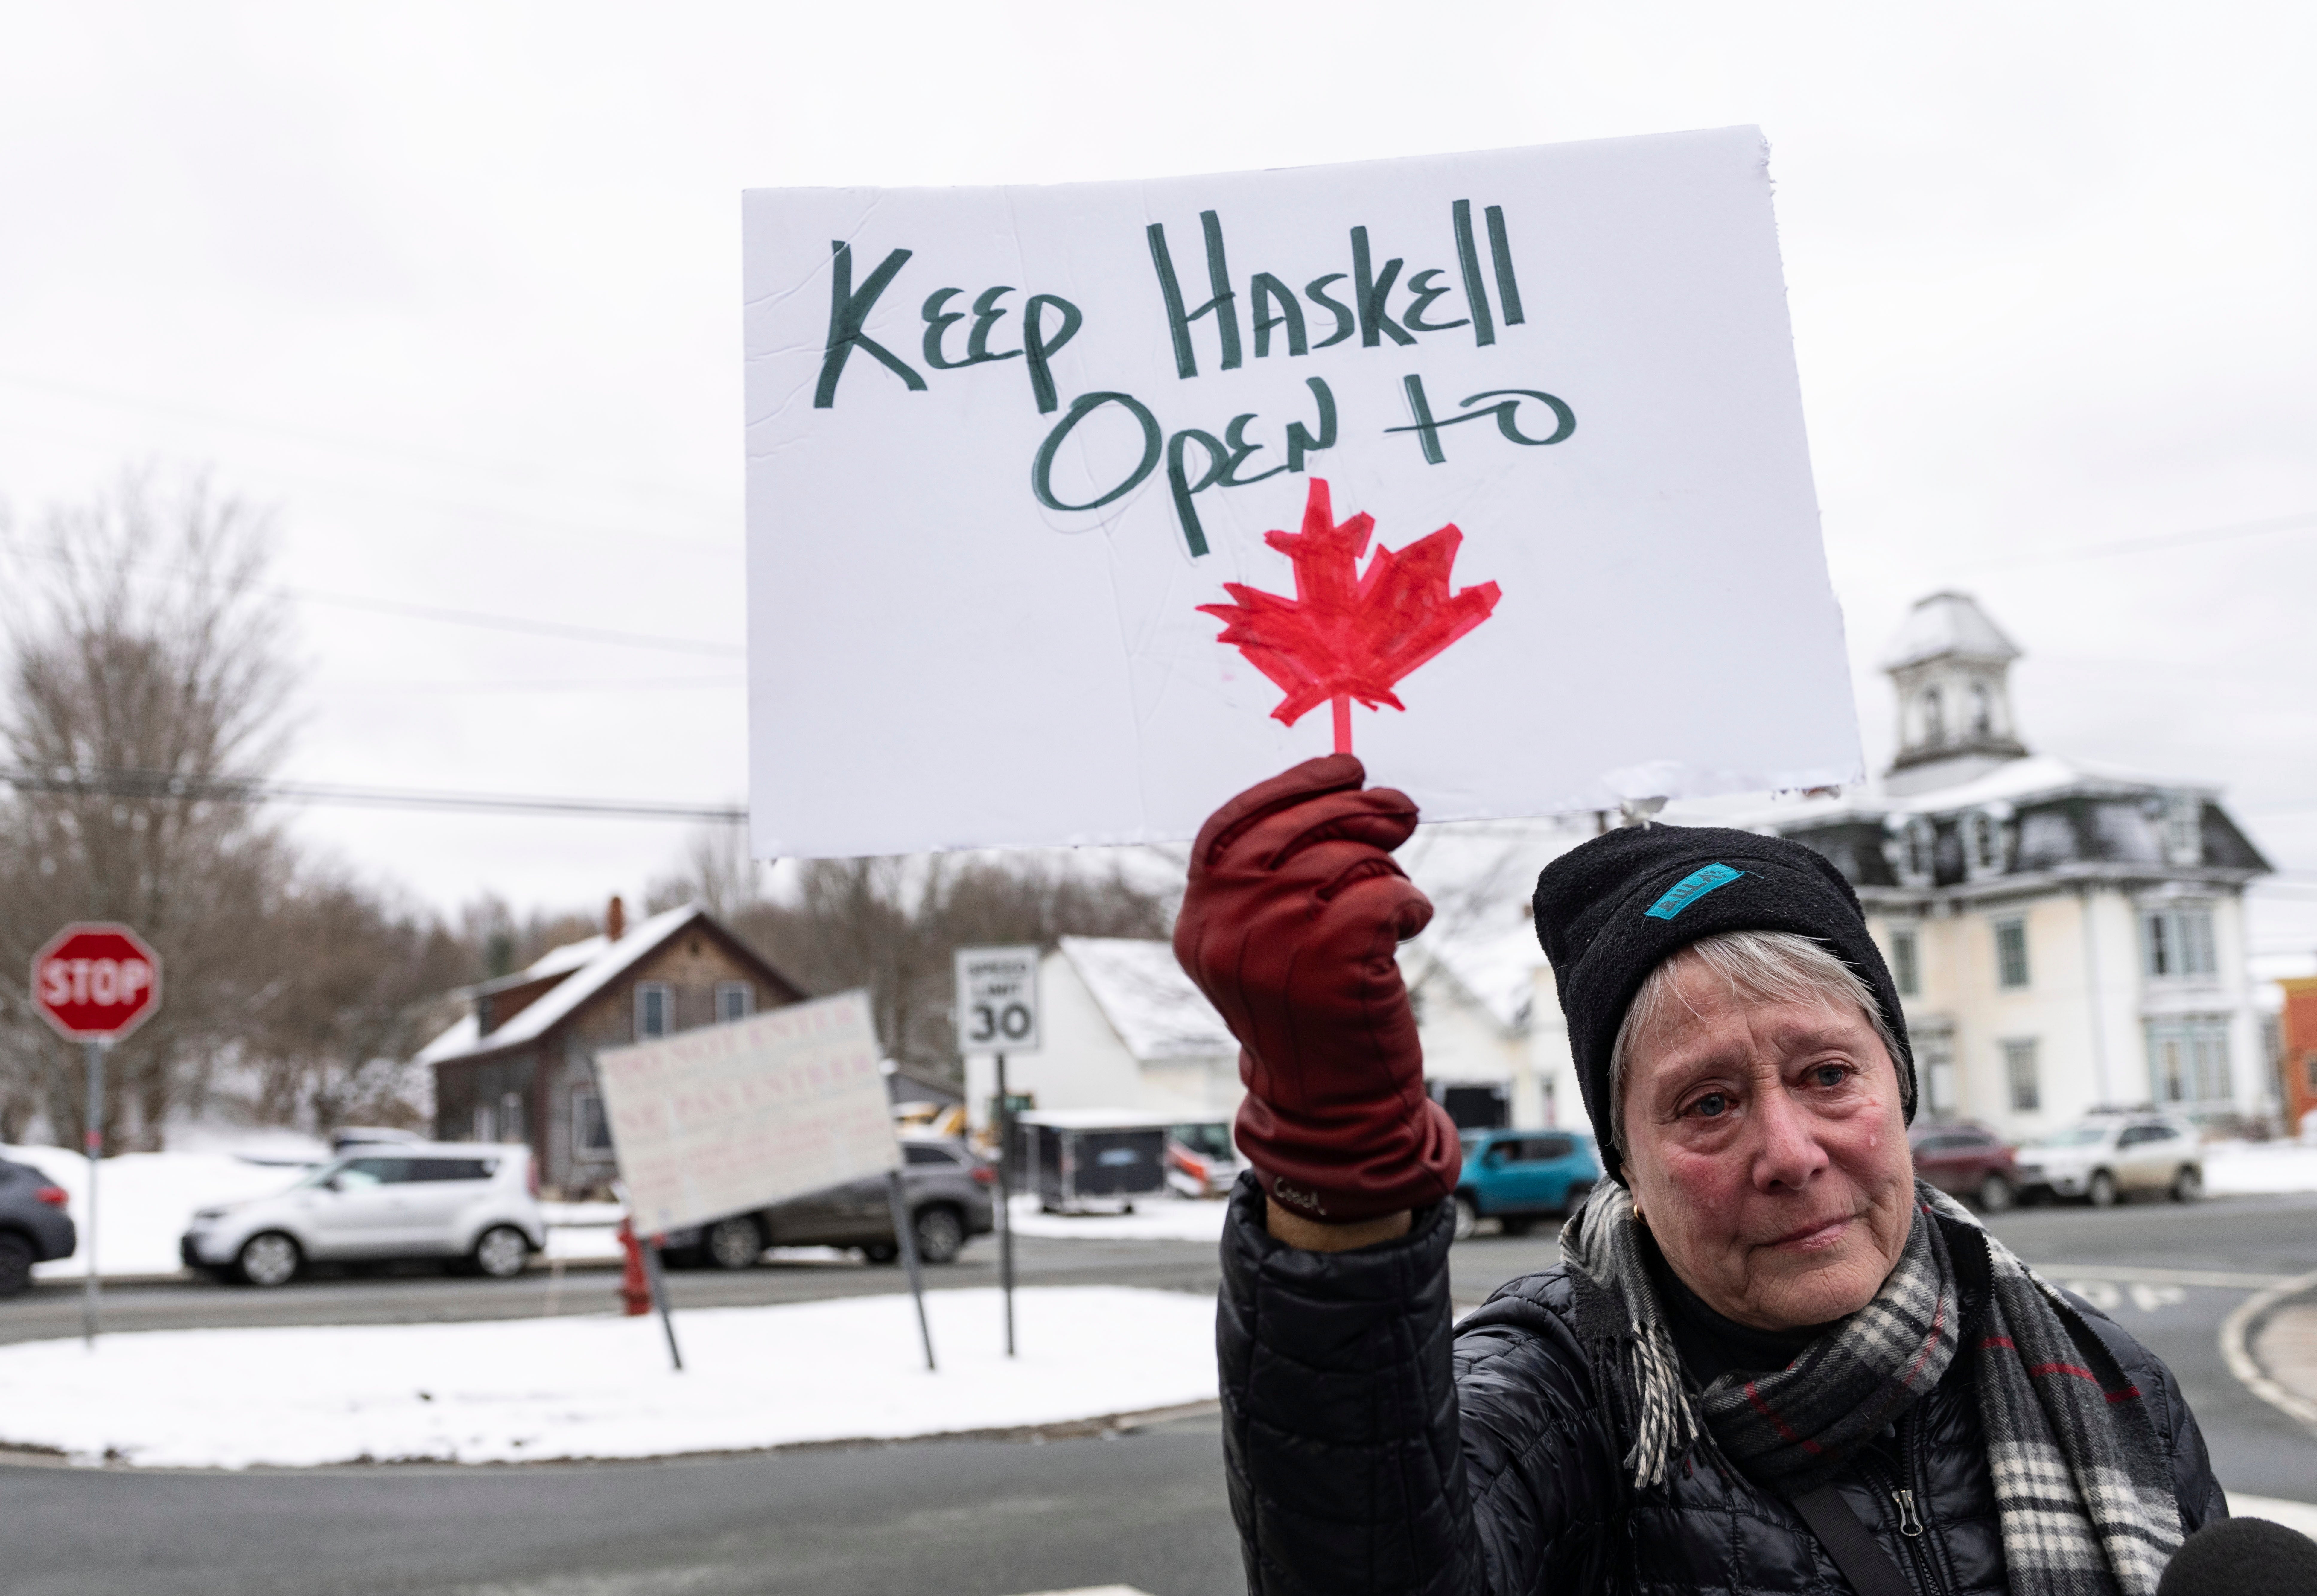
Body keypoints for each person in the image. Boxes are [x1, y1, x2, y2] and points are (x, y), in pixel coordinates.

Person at [1176, 756, 2225, 1596]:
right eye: (1707, 1104)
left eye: (1827, 1076)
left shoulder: (2109, 1384)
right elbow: (1377, 1552)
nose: (1790, 1153)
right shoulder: (1556, 1399)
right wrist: (1336, 1179)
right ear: (1625, 1165)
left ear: (1898, 1091)